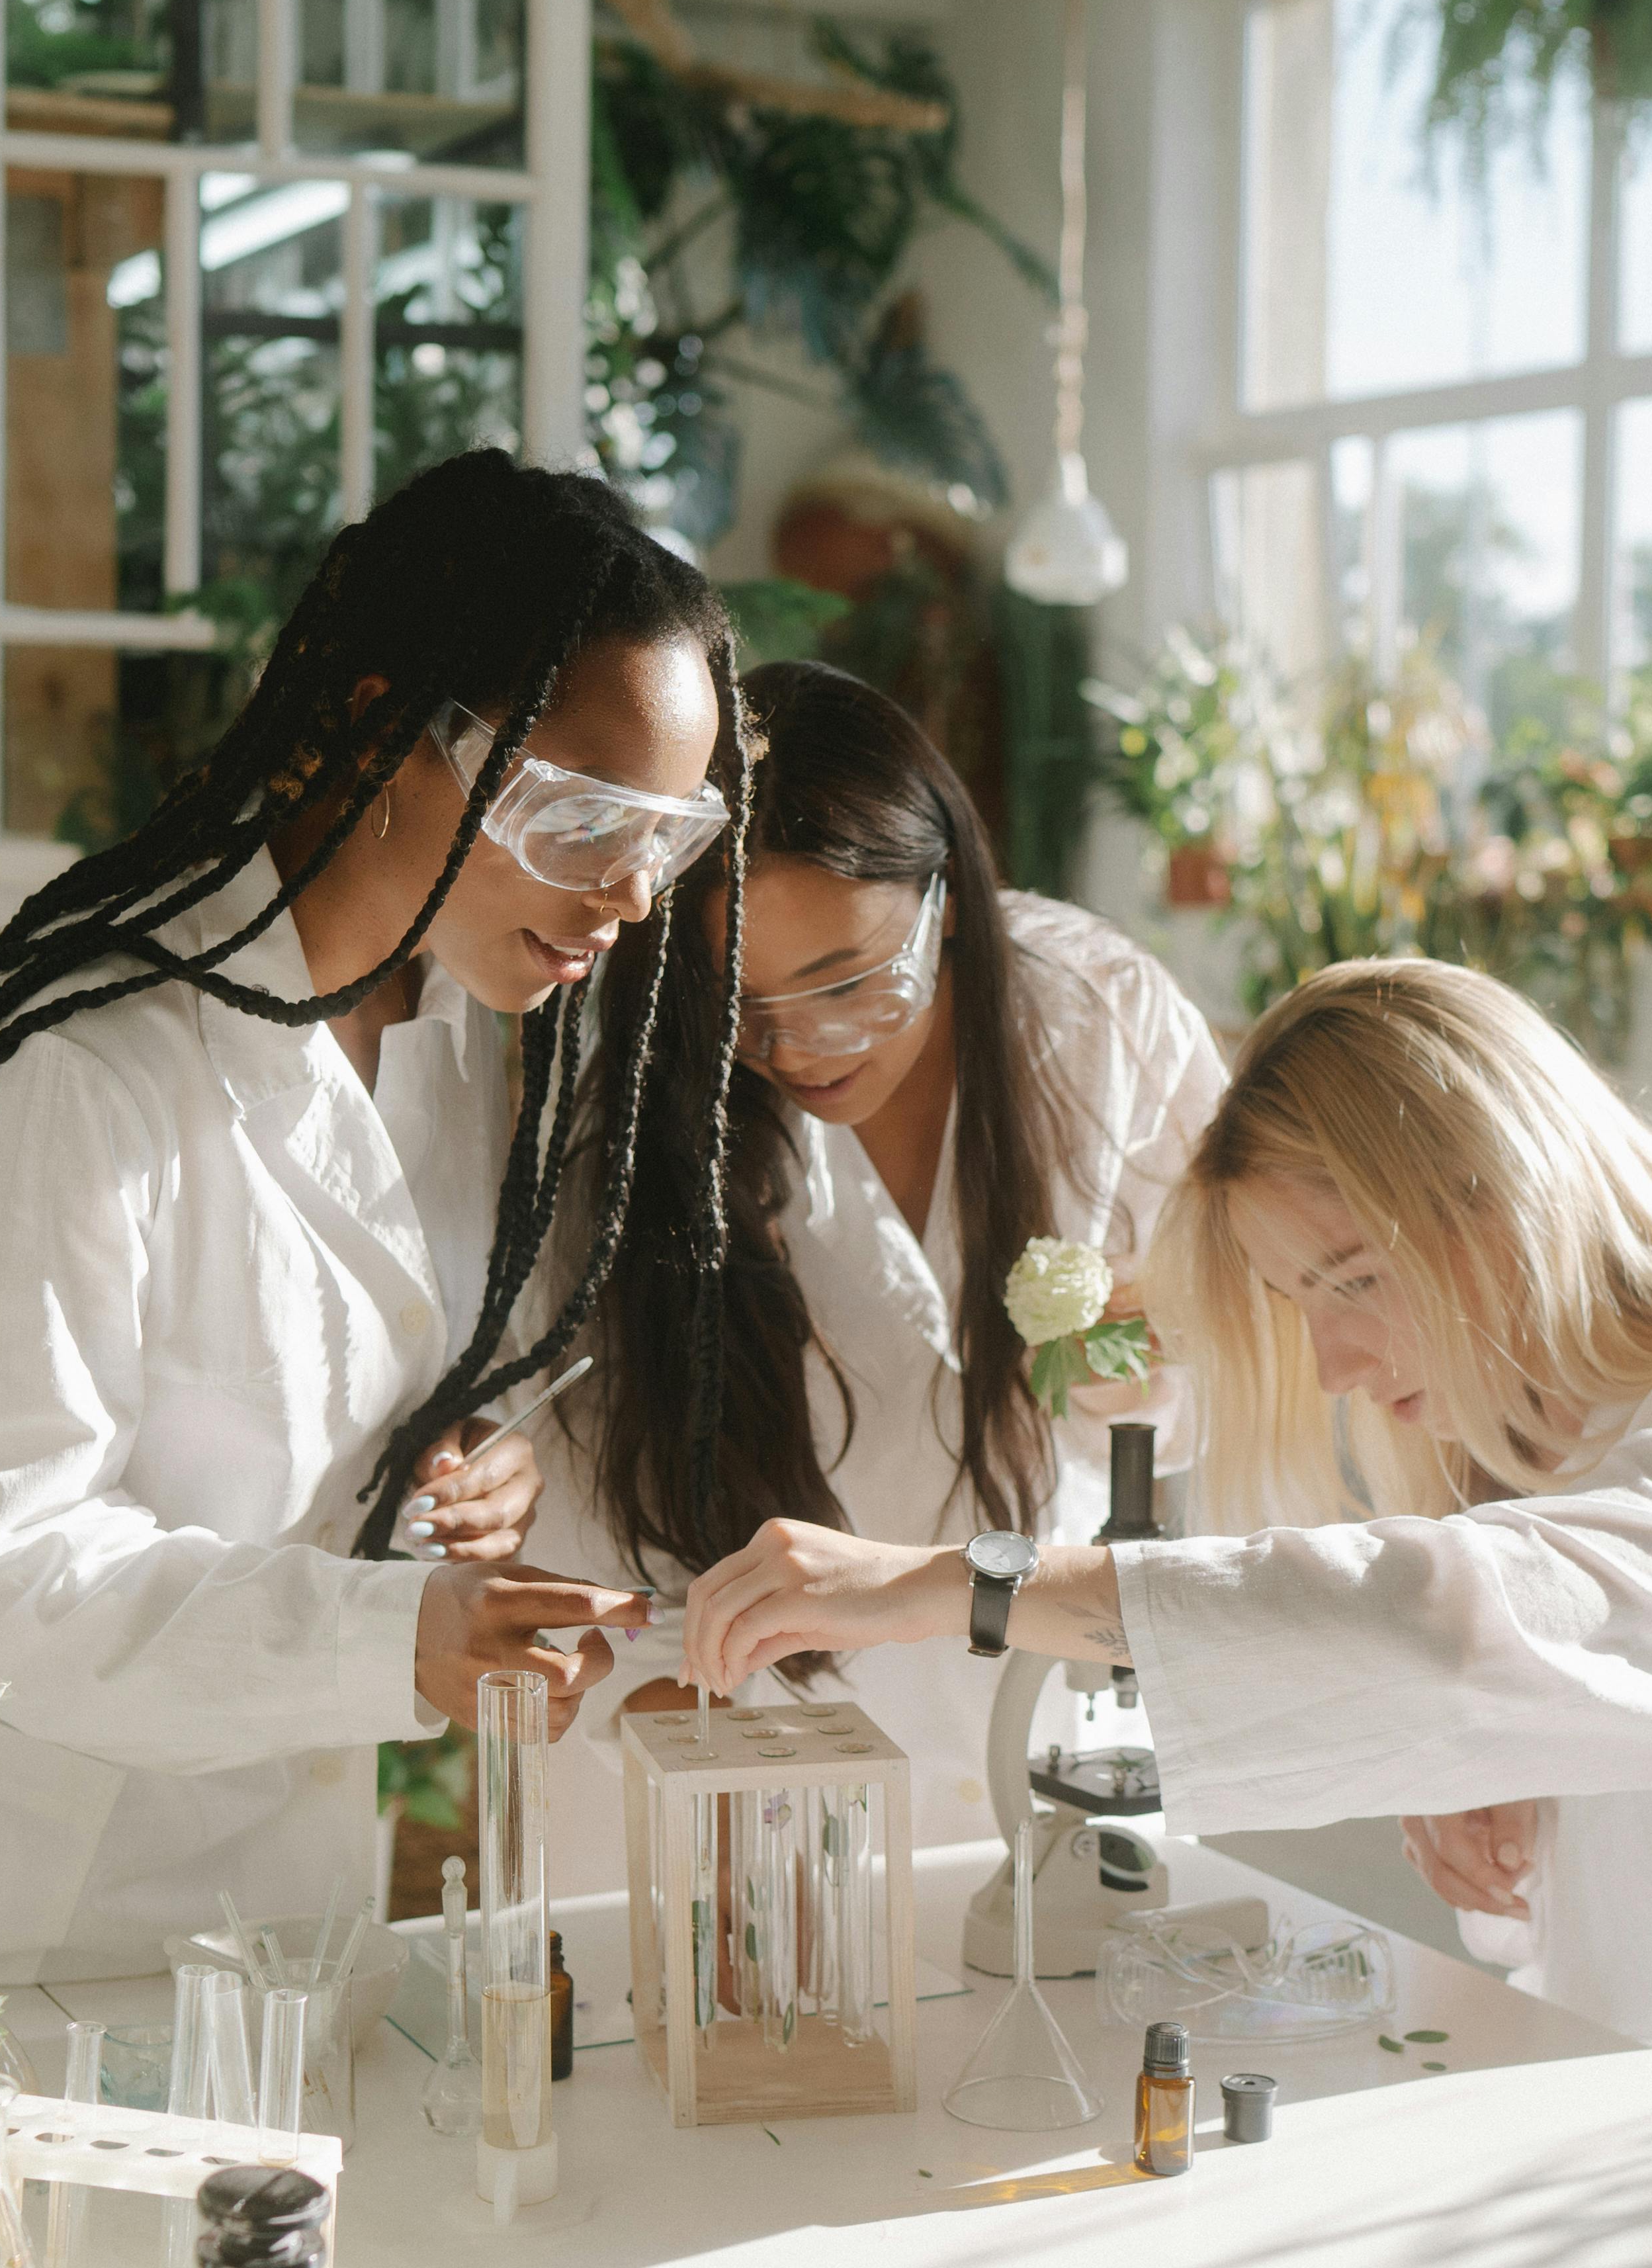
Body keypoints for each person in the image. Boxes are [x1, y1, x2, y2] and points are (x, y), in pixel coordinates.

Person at [675, 956, 1652, 2213]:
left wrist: (960, 1583)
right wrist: (1518, 1806)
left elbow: (1457, 1622)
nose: (1336, 1365)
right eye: (1304, 1303)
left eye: (1350, 1279)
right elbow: (1571, 1698)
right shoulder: (1576, 1440)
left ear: (1502, 1190)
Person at [0, 453, 746, 1985]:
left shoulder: (449, 1034)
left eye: (668, 836)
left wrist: (460, 1473)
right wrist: (394, 1638)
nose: (631, 894)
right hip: (17, 1906)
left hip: (271, 1882)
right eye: (582, 819)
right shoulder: (79, 1074)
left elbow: (334, 1380)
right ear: (378, 728)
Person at [525, 661, 1225, 1864]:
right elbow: (588, 1519)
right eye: (748, 1009)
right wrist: (702, 1766)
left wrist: (1144, 1378)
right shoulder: (637, 1096)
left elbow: (1249, 1367)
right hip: (741, 1782)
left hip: (1042, 1737)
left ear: (946, 898)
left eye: (851, 981)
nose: (805, 1048)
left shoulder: (1098, 1015)